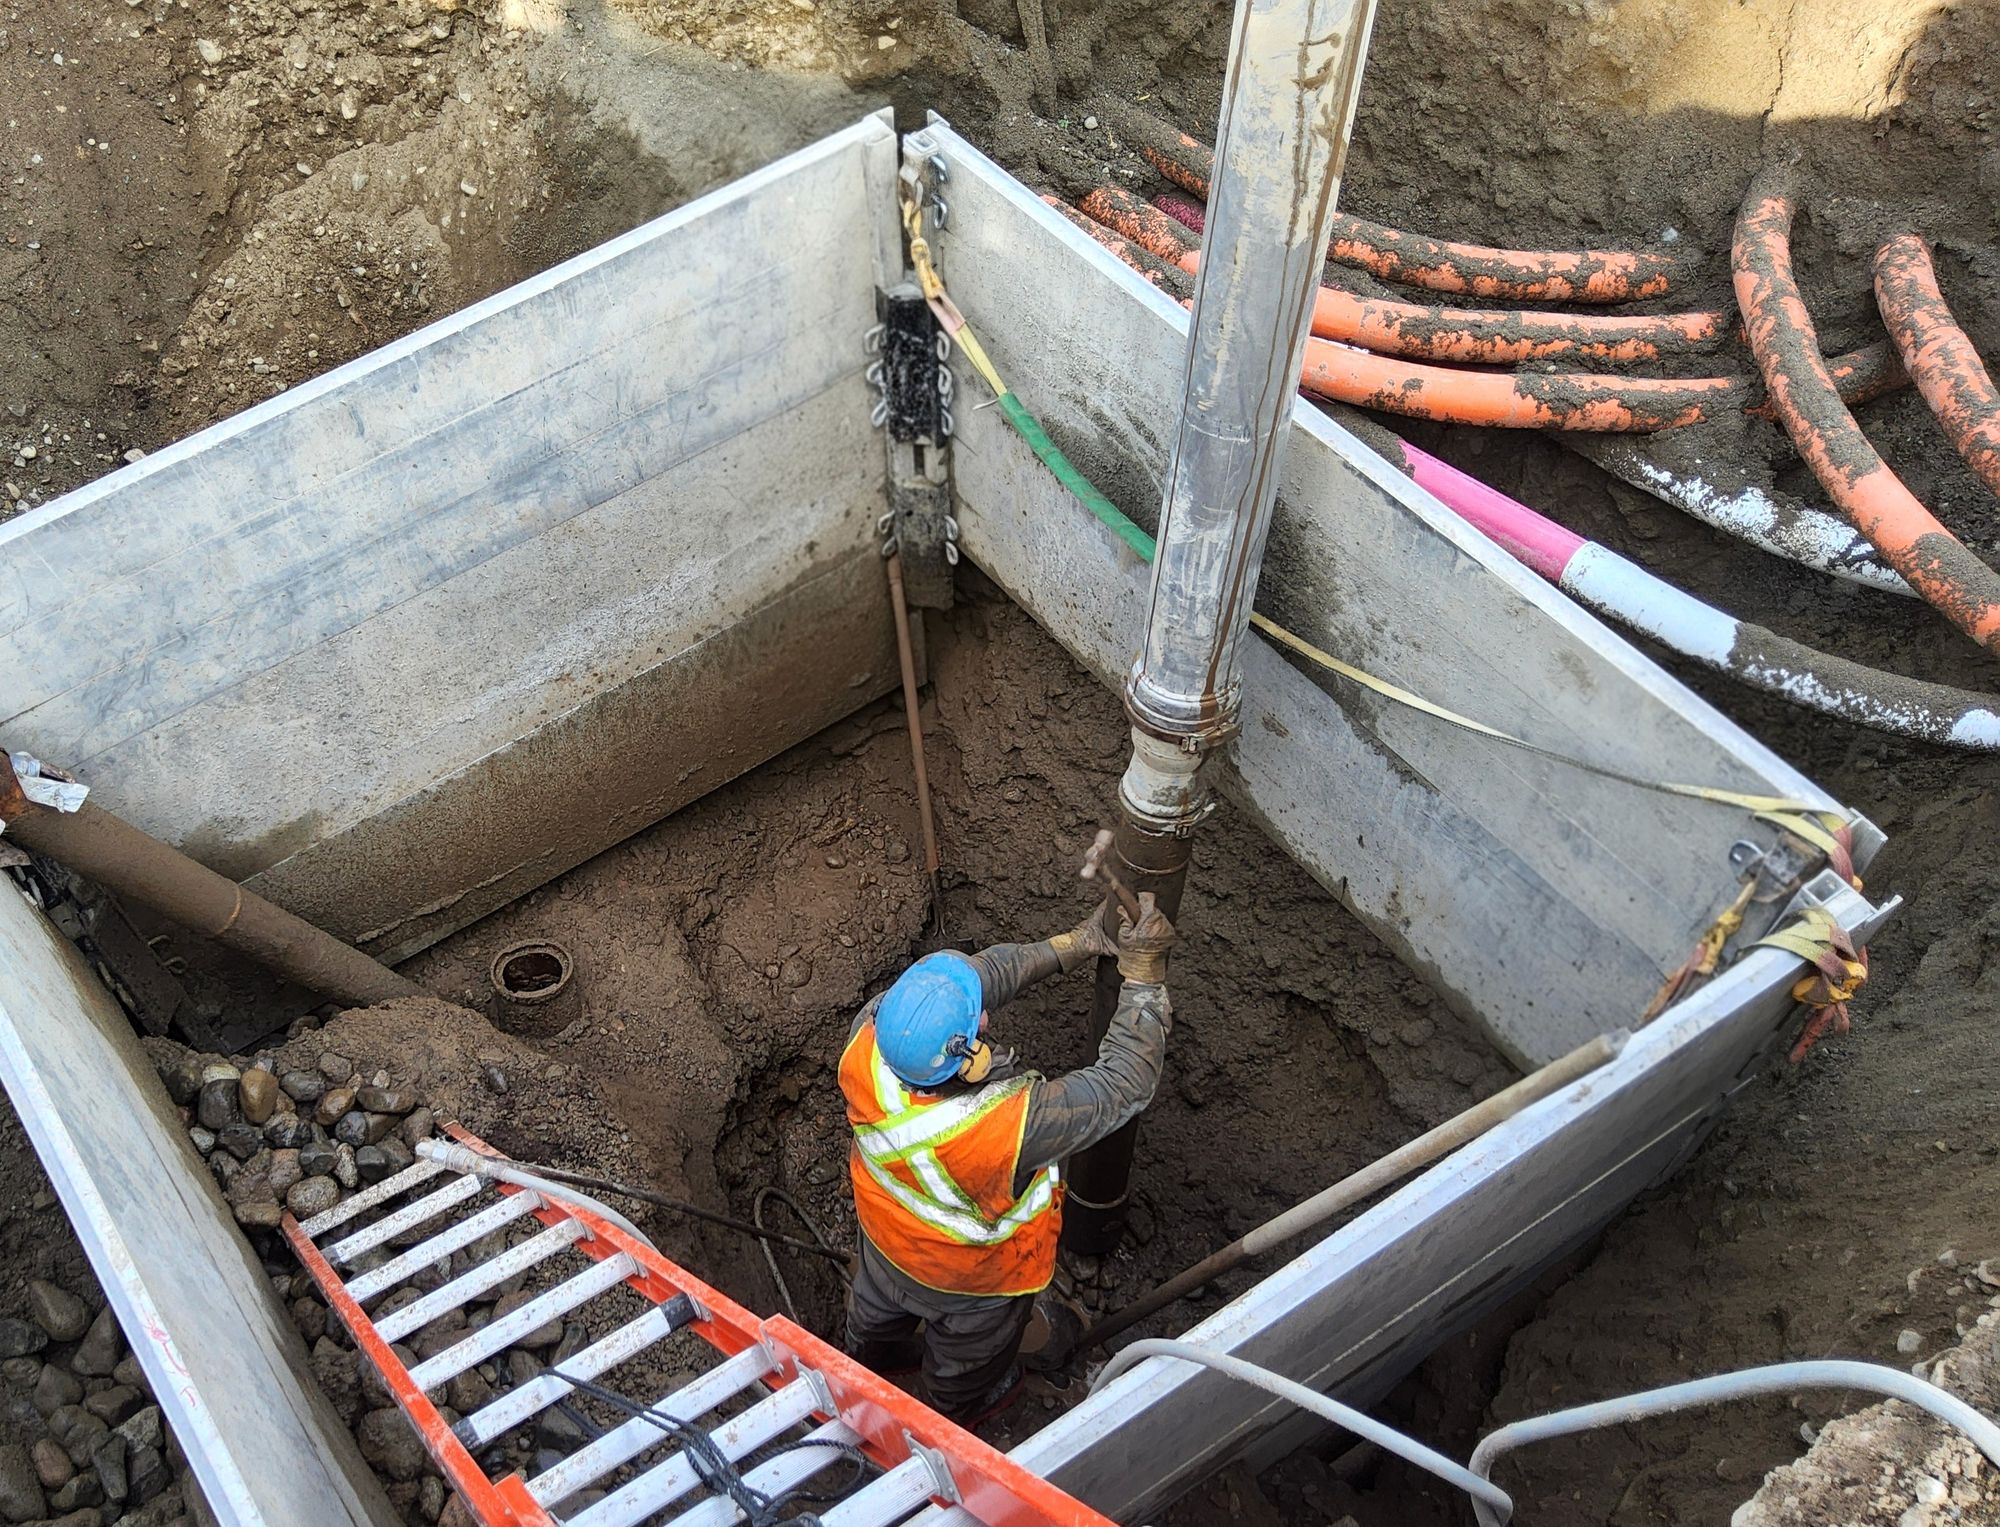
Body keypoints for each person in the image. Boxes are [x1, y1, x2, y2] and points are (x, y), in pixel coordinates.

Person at [838, 891, 1176, 1423]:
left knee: (872, 1322)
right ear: (967, 1062)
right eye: (979, 1025)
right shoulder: (1004, 1129)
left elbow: (983, 976)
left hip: (883, 1244)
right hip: (972, 1284)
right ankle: (953, 1412)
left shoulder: (872, 1036)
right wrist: (1144, 978)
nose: (988, 1016)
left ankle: (863, 1366)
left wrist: (1075, 944)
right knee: (964, 1364)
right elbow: (1124, 1082)